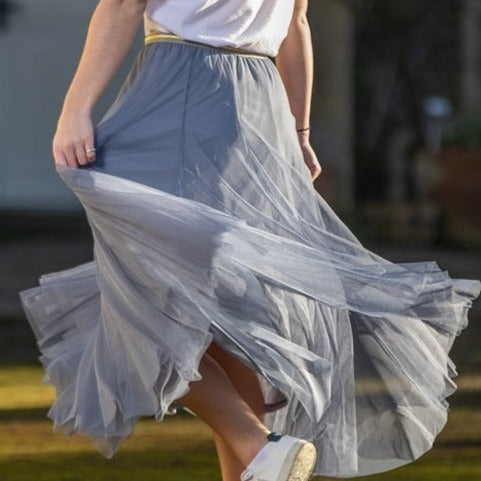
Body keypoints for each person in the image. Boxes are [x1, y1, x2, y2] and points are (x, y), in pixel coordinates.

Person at [18, 1, 481, 480]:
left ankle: (257, 444)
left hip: (182, 89)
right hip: (261, 105)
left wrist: (74, 109)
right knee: (227, 311)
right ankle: (258, 461)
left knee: (142, 304)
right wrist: (298, 131)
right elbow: (297, 23)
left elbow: (122, 4)